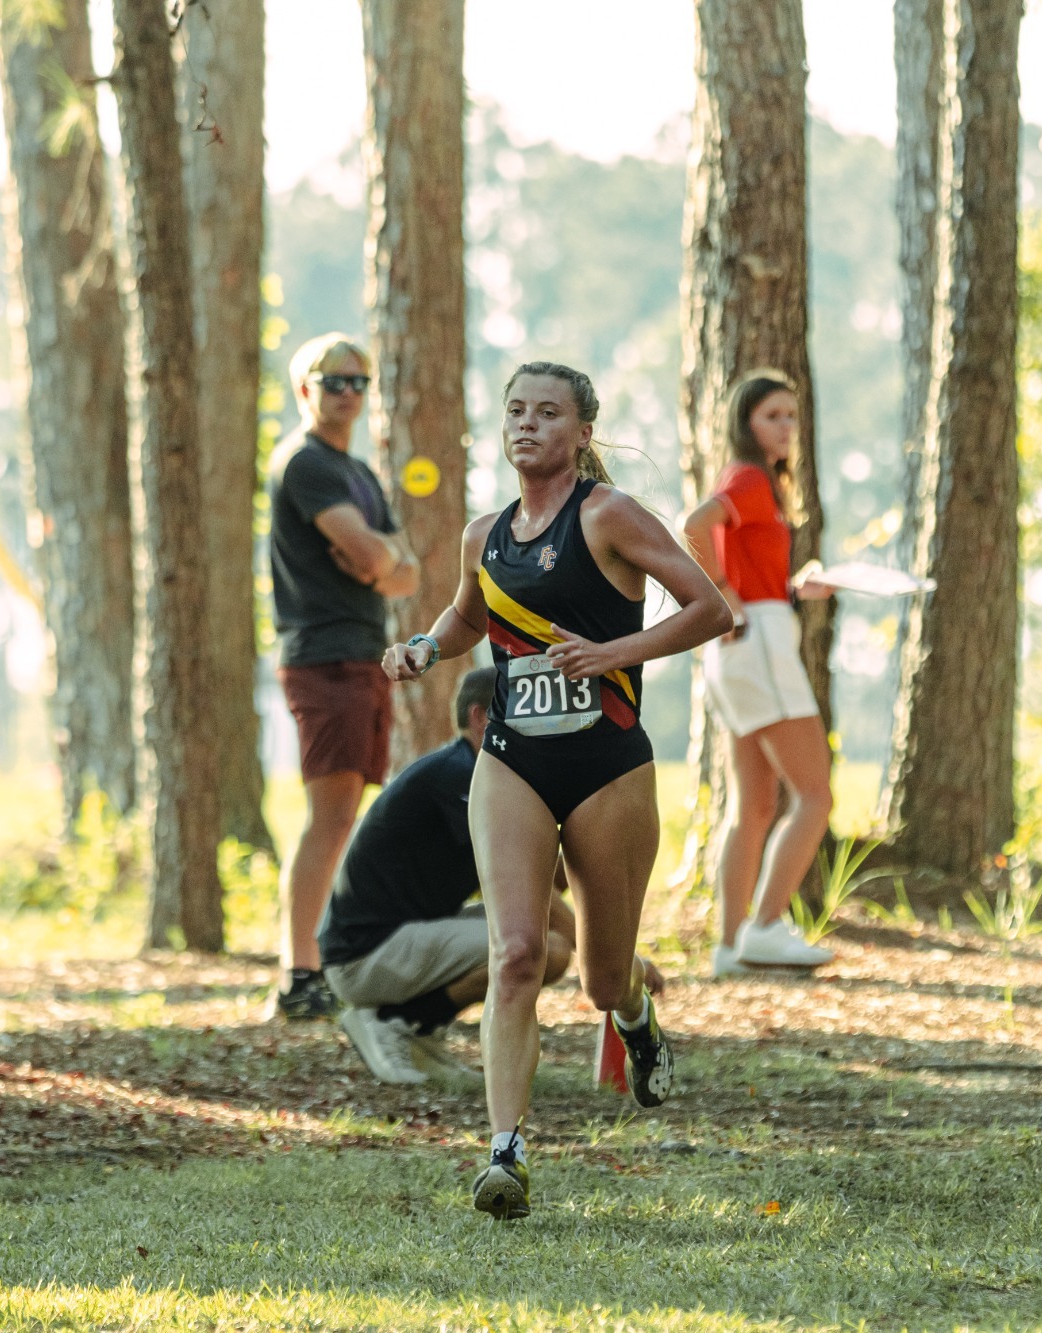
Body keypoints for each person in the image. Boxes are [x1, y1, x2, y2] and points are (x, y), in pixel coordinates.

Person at [383, 361, 733, 1220]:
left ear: (582, 433)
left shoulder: (609, 516)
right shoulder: (484, 533)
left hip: (608, 764)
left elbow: (709, 607)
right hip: (512, 759)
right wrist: (427, 647)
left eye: (548, 413)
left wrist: (611, 655)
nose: (527, 424)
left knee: (601, 978)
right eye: (515, 411)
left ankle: (636, 1014)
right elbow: (469, 615)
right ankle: (506, 1152)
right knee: (515, 953)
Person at [263, 333, 420, 1021]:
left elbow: (403, 571)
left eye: (359, 381)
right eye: (333, 381)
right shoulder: (306, 464)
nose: (348, 393)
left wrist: (379, 556)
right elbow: (369, 554)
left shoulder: (356, 473)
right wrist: (377, 554)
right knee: (329, 817)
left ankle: (319, 961)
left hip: (361, 653)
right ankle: (298, 974)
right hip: (323, 656)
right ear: (305, 390)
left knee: (344, 813)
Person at [323, 668, 578, 1083]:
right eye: (522, 712)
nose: (536, 725)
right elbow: (534, 887)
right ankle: (394, 1021)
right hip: (364, 956)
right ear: (480, 718)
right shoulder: (462, 777)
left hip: (403, 938)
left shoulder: (477, 774)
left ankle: (416, 1026)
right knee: (546, 948)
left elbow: (548, 869)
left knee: (538, 938)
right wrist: (616, 962)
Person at [681, 370, 837, 976]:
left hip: (746, 643)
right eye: (773, 415)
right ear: (747, 423)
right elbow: (694, 525)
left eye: (792, 416)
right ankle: (766, 926)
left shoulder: (760, 484)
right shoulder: (747, 478)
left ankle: (727, 947)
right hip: (758, 643)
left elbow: (750, 569)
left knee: (754, 806)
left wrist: (793, 589)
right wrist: (724, 595)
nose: (786, 427)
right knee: (815, 794)